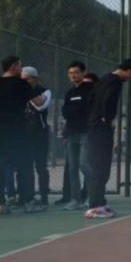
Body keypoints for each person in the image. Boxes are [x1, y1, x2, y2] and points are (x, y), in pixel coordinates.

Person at [0, 56, 46, 214]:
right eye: (20, 66)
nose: (21, 70)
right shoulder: (22, 84)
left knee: (0, 169)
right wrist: (43, 94)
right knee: (25, 167)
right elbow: (38, 102)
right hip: (19, 133)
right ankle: (29, 202)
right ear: (13, 67)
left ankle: (2, 204)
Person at [84, 58, 131, 218]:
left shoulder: (103, 79)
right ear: (129, 71)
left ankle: (100, 203)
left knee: (100, 167)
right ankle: (94, 207)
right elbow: (107, 100)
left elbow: (91, 99)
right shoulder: (115, 82)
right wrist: (106, 118)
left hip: (94, 126)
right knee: (100, 167)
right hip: (100, 128)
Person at [58, 61, 91, 209]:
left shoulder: (91, 90)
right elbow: (65, 112)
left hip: (86, 133)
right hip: (71, 133)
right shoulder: (69, 93)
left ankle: (93, 197)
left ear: (83, 73)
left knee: (84, 165)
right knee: (72, 168)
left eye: (76, 72)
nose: (73, 75)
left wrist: (74, 110)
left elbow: (87, 109)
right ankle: (75, 200)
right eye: (70, 73)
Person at [21, 66, 53, 206]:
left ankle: (44, 196)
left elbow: (40, 106)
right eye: (22, 79)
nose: (24, 82)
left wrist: (27, 95)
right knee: (25, 167)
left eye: (27, 79)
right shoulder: (18, 92)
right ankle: (27, 197)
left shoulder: (45, 91)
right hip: (24, 135)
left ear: (34, 78)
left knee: (41, 167)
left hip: (40, 134)